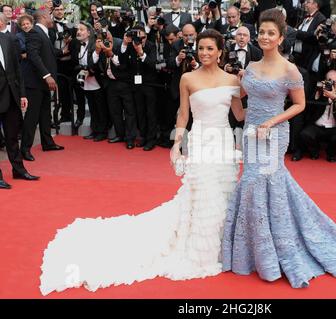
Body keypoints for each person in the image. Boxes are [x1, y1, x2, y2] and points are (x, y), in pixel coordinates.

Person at [39, 29, 245, 295]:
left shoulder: (232, 80)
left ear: (220, 51)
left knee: (223, 194)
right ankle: (200, 250)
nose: (204, 53)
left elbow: (239, 115)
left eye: (210, 49)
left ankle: (222, 246)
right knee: (203, 195)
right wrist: (176, 144)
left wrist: (271, 109)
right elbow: (183, 114)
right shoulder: (188, 78)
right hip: (201, 143)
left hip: (224, 145)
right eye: (201, 48)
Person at [221, 9, 336, 288]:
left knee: (260, 181)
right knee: (253, 183)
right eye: (263, 32)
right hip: (250, 134)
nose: (265, 36)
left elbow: (299, 105)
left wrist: (271, 121)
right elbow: (239, 103)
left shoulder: (289, 69)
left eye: (271, 32)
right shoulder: (252, 69)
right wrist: (226, 90)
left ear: (281, 37)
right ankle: (252, 252)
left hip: (274, 134)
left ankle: (275, 250)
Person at [21, 10, 64, 162]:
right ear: (45, 17)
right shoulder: (34, 32)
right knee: (32, 117)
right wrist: (47, 76)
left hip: (43, 83)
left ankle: (47, 143)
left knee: (45, 113)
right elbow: (33, 55)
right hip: (35, 83)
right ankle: (25, 149)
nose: (52, 18)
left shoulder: (44, 33)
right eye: (50, 16)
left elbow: (47, 54)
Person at [0, 32, 40, 189]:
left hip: (11, 96)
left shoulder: (7, 39)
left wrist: (22, 94)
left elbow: (17, 70)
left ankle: (19, 170)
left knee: (12, 136)